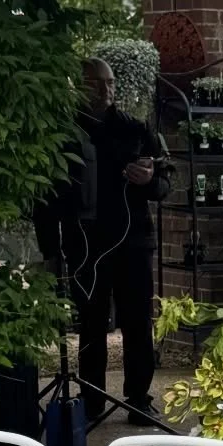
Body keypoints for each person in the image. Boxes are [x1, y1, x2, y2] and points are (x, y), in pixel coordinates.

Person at [37, 58, 171, 425]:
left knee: (137, 321)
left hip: (134, 241)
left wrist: (149, 179)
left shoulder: (135, 128)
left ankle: (139, 399)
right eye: (97, 83)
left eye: (110, 83)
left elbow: (164, 183)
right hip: (86, 243)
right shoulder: (63, 134)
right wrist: (51, 250)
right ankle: (92, 397)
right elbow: (45, 200)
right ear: (77, 87)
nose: (106, 90)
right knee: (92, 322)